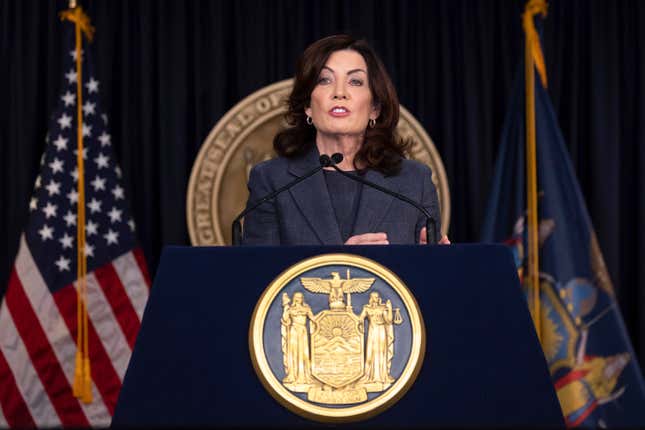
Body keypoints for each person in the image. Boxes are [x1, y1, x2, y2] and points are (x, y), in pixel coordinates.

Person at [242, 34, 450, 245]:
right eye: (325, 80)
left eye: (355, 81)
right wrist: (345, 262)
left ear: (374, 108)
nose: (339, 93)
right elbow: (260, 275)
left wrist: (431, 265)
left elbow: (425, 275)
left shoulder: (414, 182)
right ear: (308, 106)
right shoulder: (271, 180)